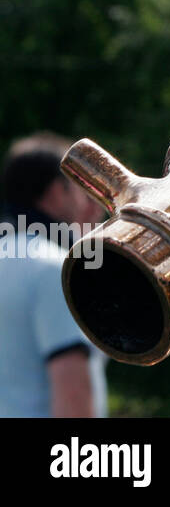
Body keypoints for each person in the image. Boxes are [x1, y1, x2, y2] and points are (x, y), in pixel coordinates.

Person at [0, 132, 108, 417]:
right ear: (56, 192)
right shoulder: (55, 269)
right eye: (77, 188)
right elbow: (72, 391)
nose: (85, 201)